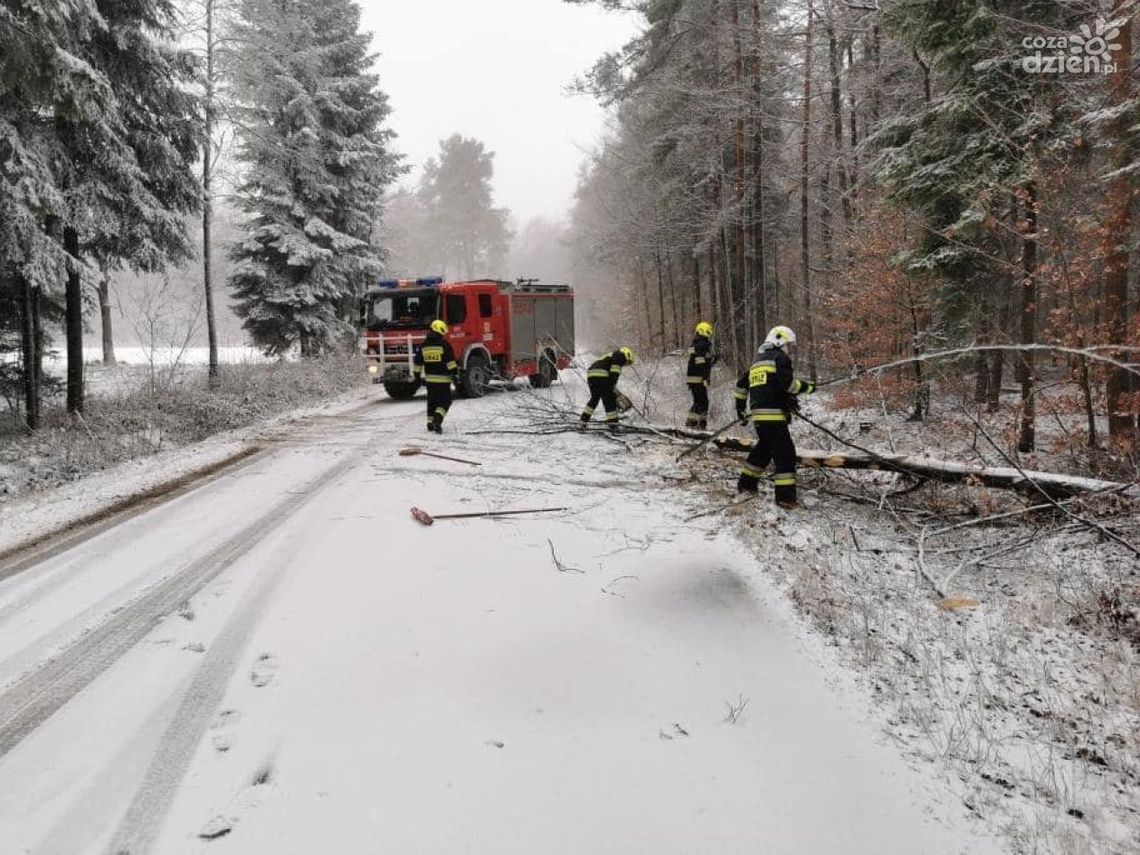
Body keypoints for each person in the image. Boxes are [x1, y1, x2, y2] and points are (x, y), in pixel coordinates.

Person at [733, 326, 816, 508]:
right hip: (774, 416)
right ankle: (785, 499)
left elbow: (740, 387)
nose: (789, 349)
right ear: (779, 341)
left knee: (763, 450)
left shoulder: (756, 363)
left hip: (759, 417)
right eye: (788, 344)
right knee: (786, 455)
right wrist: (808, 387)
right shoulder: (780, 359)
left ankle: (746, 485)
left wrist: (740, 410)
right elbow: (788, 385)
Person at [413, 319, 459, 434]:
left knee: (432, 401)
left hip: (430, 381)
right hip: (443, 380)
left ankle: (429, 423)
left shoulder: (423, 345)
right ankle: (437, 420)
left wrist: (417, 377)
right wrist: (455, 374)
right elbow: (450, 362)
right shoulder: (444, 344)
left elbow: (418, 363)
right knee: (445, 401)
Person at [580, 347, 634, 429]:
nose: (625, 364)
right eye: (627, 362)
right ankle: (613, 425)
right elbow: (615, 371)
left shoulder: (610, 355)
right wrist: (613, 385)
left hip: (591, 374)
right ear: (627, 354)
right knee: (609, 400)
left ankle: (583, 420)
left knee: (594, 399)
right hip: (602, 375)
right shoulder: (620, 355)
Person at [685, 321, 717, 429]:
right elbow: (701, 362)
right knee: (702, 402)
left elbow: (704, 362)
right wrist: (704, 377)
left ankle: (697, 423)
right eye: (708, 332)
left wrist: (712, 361)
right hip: (698, 378)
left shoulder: (697, 344)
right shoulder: (702, 344)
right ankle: (695, 424)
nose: (710, 334)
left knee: (700, 401)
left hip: (694, 378)